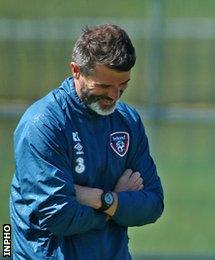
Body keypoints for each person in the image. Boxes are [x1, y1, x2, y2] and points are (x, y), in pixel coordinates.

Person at [9, 24, 164, 259]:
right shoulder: (43, 124)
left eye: (122, 86)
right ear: (76, 70)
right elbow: (58, 217)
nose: (114, 95)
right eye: (104, 86)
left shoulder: (128, 122)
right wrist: (116, 202)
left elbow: (153, 204)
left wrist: (98, 198)